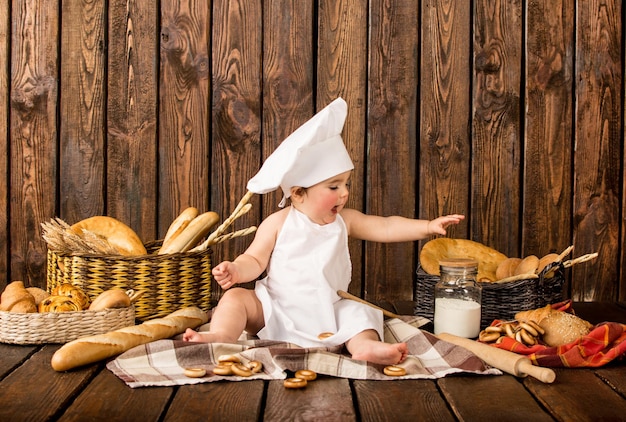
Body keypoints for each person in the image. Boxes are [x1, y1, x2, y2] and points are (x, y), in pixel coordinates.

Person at [183, 98, 464, 366]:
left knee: (363, 312)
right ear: (298, 193)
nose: (344, 194)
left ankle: (364, 346)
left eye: (346, 184)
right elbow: (254, 260)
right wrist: (235, 270)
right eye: (334, 186)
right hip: (276, 308)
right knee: (235, 299)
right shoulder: (279, 223)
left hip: (329, 308)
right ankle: (221, 336)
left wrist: (427, 226)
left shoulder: (345, 221)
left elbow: (386, 225)